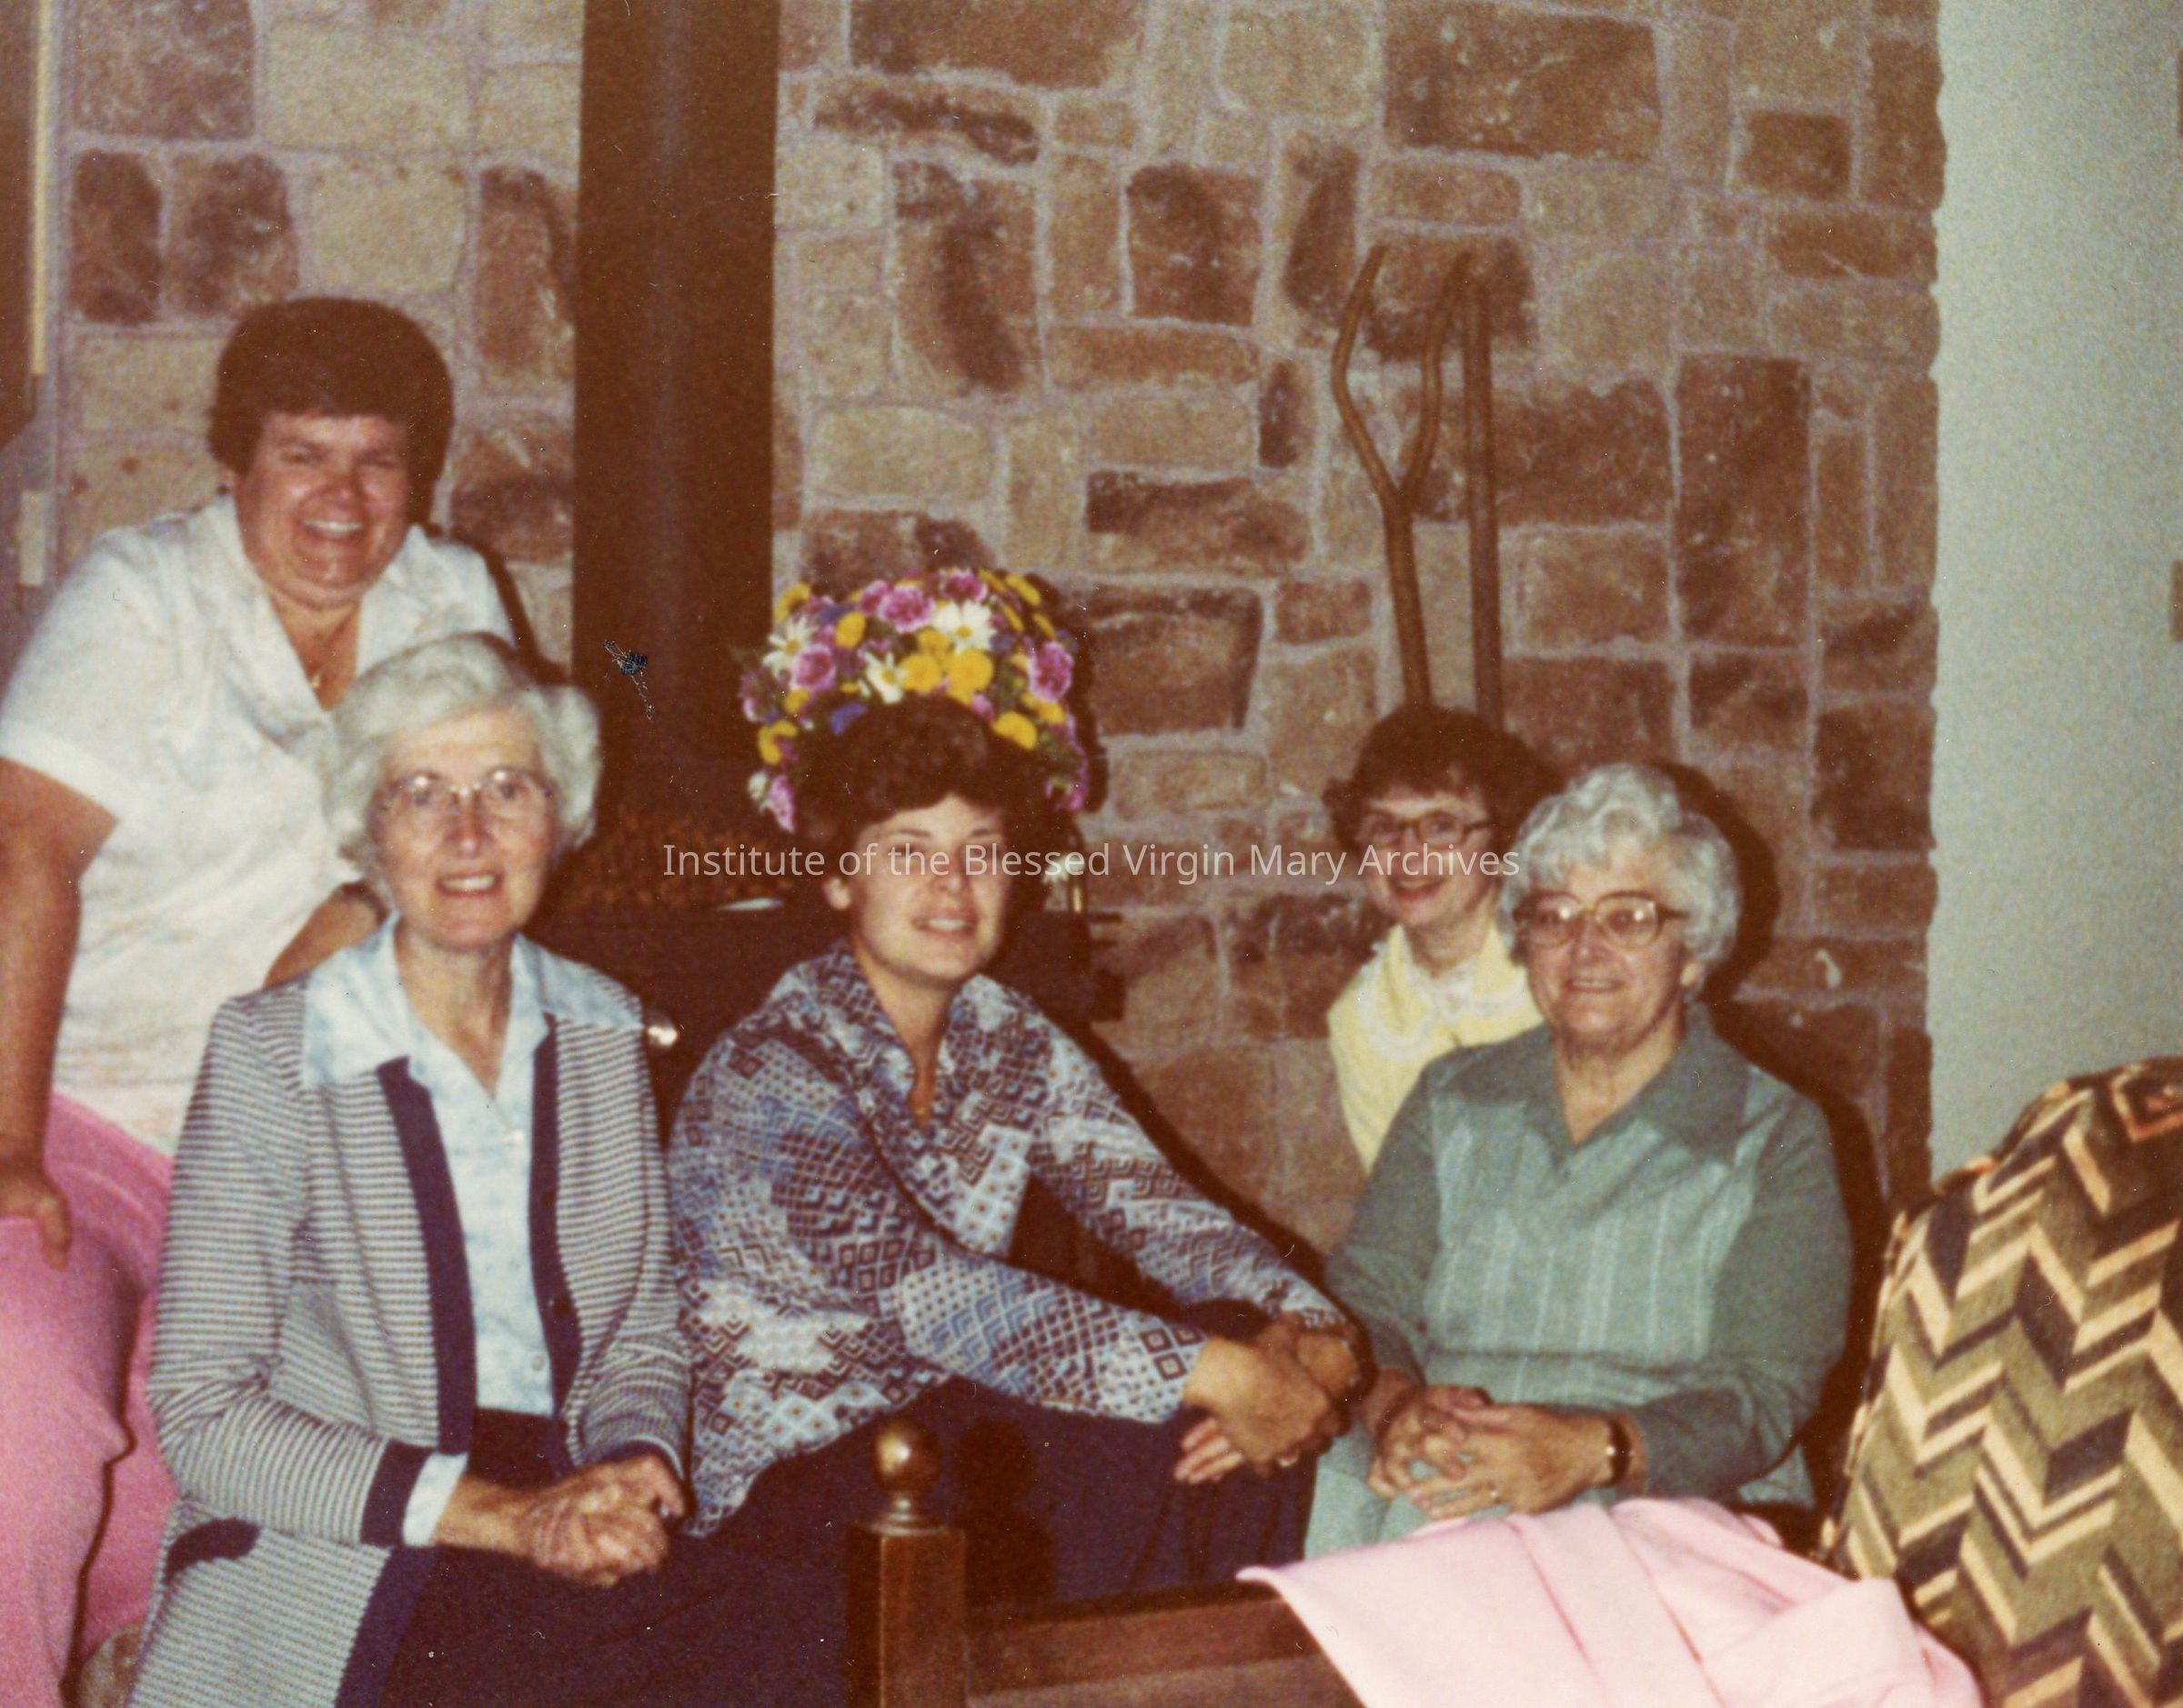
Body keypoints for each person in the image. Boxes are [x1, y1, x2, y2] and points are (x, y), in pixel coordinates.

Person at [0, 297, 512, 1702]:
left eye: (379, 459)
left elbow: (486, 837)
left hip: (298, 1146)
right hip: (81, 1108)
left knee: (275, 1462)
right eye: (302, 454)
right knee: (20, 1403)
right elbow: (24, 850)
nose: (343, 497)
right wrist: (8, 1141)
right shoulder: (144, 599)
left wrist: (359, 905)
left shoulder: (449, 603)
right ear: (234, 462)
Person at [134, 636, 788, 1704]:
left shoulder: (603, 1032)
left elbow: (638, 1335)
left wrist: (633, 1456)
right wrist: (510, 1518)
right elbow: (205, 1413)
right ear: (371, 832)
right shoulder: (273, 1053)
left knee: (777, 1633)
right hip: (345, 1540)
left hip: (566, 1503)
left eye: (507, 788)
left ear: (558, 821)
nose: (468, 833)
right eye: (422, 794)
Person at [671, 694, 1363, 1700]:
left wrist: (1315, 1335)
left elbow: (1168, 1218)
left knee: (1233, 1358)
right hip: (788, 1501)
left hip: (948, 1437)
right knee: (1160, 1416)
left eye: (982, 851)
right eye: (909, 851)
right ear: (839, 876)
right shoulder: (769, 1074)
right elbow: (935, 1298)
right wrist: (1220, 1374)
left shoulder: (1008, 1038)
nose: (951, 886)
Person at [1308, 763, 1851, 1553]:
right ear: (1523, 942)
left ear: (1693, 952)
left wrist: (1593, 1451)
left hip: (1663, 1485)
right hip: (1444, 1448)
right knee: (1289, 1486)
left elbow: (1761, 1392)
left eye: (1629, 918)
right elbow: (1368, 1298)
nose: (1586, 949)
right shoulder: (1452, 1098)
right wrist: (1396, 1409)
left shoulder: (1773, 1134)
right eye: (1555, 917)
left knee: (1461, 1541)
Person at [1323, 704, 1554, 1172]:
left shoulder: (1561, 970)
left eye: (1442, 827)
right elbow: (1395, 1198)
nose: (1410, 854)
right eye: (1385, 827)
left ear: (1501, 841)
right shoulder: (1361, 1022)